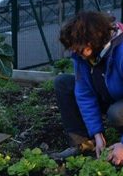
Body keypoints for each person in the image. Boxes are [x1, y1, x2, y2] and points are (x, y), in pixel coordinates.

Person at [52, 11, 123, 163]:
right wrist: (97, 133)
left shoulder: (120, 51)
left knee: (116, 113)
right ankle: (84, 143)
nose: (75, 52)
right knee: (63, 83)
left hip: (119, 104)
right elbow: (85, 94)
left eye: (78, 48)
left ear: (93, 39)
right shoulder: (83, 56)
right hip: (108, 96)